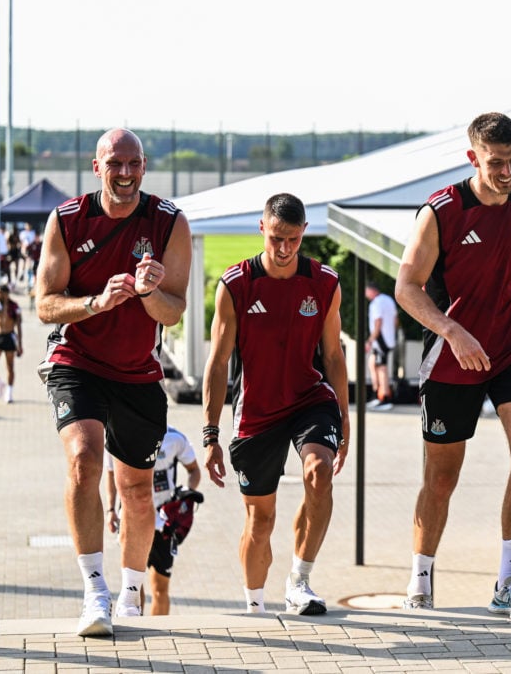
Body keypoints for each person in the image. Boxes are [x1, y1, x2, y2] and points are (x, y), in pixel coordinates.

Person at [394, 112, 511, 620]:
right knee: (442, 478)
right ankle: (421, 576)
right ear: (473, 158)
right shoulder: (442, 211)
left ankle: (509, 582)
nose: (506, 172)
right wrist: (451, 330)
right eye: (495, 163)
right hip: (452, 355)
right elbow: (406, 287)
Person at [36, 127, 192, 637]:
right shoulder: (66, 219)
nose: (125, 174)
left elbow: (173, 312)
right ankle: (94, 592)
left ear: (144, 167)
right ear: (96, 167)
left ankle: (130, 594)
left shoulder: (169, 223)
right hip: (76, 360)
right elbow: (44, 304)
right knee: (84, 459)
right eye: (115, 164)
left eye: (134, 164)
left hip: (137, 372)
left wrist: (148, 293)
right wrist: (96, 303)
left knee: (138, 491)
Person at [202, 192, 350, 616]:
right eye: (276, 239)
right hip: (257, 411)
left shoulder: (324, 283)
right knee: (260, 521)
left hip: (309, 398)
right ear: (262, 229)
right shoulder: (236, 285)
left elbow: (335, 356)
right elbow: (217, 363)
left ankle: (300, 581)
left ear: (304, 233)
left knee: (319, 472)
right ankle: (255, 606)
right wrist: (210, 435)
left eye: (293, 240)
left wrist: (343, 415)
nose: (284, 250)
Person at [104, 425, 202, 615]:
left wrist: (188, 495)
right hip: (132, 520)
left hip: (164, 523)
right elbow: (111, 473)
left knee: (160, 588)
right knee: (133, 586)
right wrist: (110, 509)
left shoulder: (174, 438)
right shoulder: (118, 435)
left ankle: (160, 633)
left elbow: (194, 470)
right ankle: (137, 626)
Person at [364, 281, 399, 410]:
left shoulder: (376, 303)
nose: (366, 294)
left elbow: (378, 322)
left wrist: (370, 340)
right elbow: (395, 320)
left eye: (366, 291)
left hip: (381, 340)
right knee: (372, 363)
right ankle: (376, 394)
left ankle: (384, 398)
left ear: (372, 290)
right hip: (388, 338)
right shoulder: (388, 299)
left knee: (381, 368)